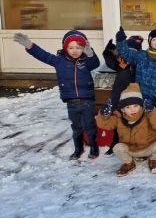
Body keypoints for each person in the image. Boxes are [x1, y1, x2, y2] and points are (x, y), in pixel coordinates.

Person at [14, 30, 100, 160]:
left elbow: (95, 64)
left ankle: (94, 147)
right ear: (65, 48)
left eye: (78, 47)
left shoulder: (86, 61)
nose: (75, 51)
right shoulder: (59, 61)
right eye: (71, 47)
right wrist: (29, 46)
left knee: (89, 125)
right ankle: (78, 148)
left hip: (87, 99)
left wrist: (90, 53)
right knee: (76, 126)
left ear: (83, 48)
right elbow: (43, 55)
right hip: (71, 101)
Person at [96, 83, 156, 176]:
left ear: (141, 106)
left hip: (147, 148)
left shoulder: (147, 115)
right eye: (128, 107)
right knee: (117, 148)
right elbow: (104, 124)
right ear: (122, 109)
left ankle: (153, 161)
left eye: (135, 106)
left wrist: (152, 111)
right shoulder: (118, 117)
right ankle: (129, 163)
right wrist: (103, 115)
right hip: (131, 150)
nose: (132, 110)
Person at [115, 26, 156, 123]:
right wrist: (121, 41)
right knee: (143, 126)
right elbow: (126, 54)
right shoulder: (142, 55)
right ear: (150, 42)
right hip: (142, 101)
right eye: (154, 39)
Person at [101, 35, 143, 156]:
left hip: (133, 98)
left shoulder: (138, 64)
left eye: (133, 51)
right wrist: (108, 51)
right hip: (118, 97)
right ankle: (114, 143)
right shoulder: (120, 63)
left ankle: (131, 145)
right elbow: (110, 62)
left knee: (133, 123)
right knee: (118, 121)